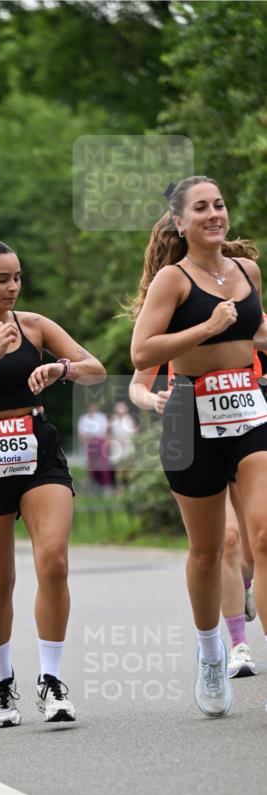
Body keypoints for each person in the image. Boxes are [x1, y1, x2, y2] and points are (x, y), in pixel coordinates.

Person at [0, 239, 106, 728]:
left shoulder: (35, 324)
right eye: (1, 279)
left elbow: (95, 369)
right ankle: (3, 683)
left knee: (53, 560)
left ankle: (51, 681)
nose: (12, 287)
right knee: (0, 581)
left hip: (36, 448)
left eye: (17, 278)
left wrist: (60, 368)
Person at [130, 175, 267, 718]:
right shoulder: (173, 279)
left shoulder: (248, 271)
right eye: (201, 208)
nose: (214, 214)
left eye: (219, 205)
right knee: (209, 552)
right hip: (190, 417)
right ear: (180, 222)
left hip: (250, 409)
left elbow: (255, 333)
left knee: (262, 533)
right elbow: (143, 349)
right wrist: (205, 327)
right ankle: (212, 652)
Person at [130, 363, 258, 678]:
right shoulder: (170, 325)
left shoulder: (242, 316)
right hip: (194, 433)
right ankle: (238, 645)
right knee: (227, 540)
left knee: (253, 550)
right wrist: (153, 400)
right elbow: (137, 387)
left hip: (246, 427)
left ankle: (245, 583)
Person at [76, 402, 111, 489]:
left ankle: (106, 484)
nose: (92, 408)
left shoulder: (101, 417)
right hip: (89, 442)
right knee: (91, 465)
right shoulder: (84, 419)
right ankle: (93, 484)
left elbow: (105, 432)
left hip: (100, 441)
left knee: (103, 464)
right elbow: (81, 434)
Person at [108, 401, 138, 488]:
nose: (120, 414)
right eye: (119, 412)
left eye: (122, 412)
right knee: (118, 469)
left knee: (129, 468)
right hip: (116, 448)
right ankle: (119, 487)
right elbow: (109, 435)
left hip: (128, 447)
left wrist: (128, 441)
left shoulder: (130, 420)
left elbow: (135, 433)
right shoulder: (113, 420)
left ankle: (130, 486)